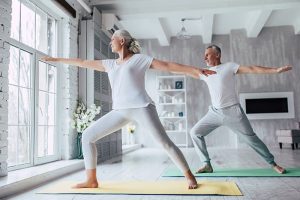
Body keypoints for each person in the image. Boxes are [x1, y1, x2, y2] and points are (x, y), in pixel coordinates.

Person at [42, 30, 216, 189]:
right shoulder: (110, 64)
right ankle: (91, 180)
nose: (110, 43)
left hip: (142, 107)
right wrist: (56, 59)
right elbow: (82, 62)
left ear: (122, 41)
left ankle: (189, 176)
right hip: (120, 111)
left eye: (112, 40)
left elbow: (168, 66)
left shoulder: (139, 59)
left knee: (165, 143)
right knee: (87, 136)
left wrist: (196, 70)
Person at [190, 44, 292, 174]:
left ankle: (273, 164)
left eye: (207, 55)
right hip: (214, 113)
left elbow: (252, 69)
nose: (205, 58)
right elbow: (183, 70)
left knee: (251, 139)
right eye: (204, 55)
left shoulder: (229, 66)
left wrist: (275, 70)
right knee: (195, 132)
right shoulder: (204, 72)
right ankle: (207, 164)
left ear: (217, 54)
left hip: (233, 112)